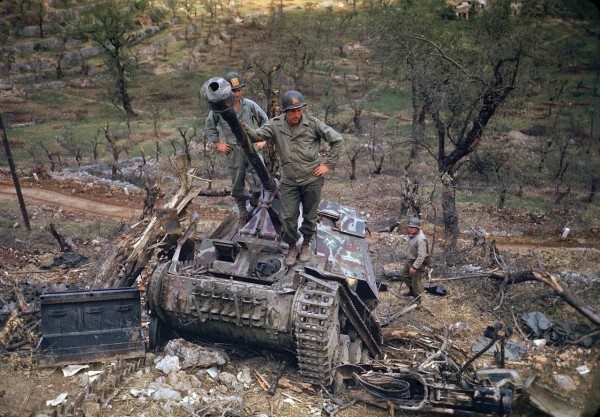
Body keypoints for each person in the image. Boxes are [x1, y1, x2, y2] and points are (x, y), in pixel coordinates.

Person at [243, 90, 343, 266]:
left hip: (311, 179)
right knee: (287, 217)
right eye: (292, 111)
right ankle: (292, 247)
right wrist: (240, 125)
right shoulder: (275, 125)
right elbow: (256, 136)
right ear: (285, 112)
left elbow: (337, 140)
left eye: (299, 110)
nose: (296, 114)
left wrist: (327, 165)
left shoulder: (312, 124)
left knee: (310, 216)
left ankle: (305, 244)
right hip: (289, 181)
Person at [204, 71, 268, 226]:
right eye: (234, 91)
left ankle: (256, 198)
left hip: (252, 146)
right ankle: (243, 212)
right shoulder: (219, 110)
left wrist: (263, 139)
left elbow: (265, 120)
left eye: (239, 90)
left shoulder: (250, 105)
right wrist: (219, 144)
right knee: (237, 184)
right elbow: (210, 126)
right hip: (233, 150)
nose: (237, 93)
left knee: (261, 179)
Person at [401, 216, 430, 298]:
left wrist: (414, 267)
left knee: (416, 282)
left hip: (418, 262)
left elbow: (421, 256)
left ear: (417, 228)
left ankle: (418, 299)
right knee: (405, 274)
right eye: (409, 227)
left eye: (413, 228)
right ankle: (411, 291)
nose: (410, 229)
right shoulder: (411, 234)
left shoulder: (421, 240)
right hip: (410, 259)